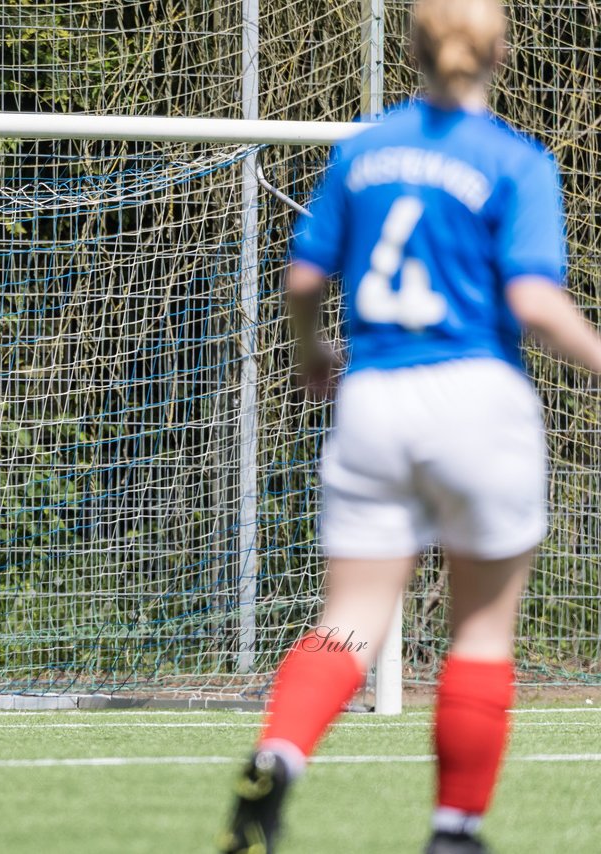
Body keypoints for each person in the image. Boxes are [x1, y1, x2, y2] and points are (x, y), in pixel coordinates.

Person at [217, 1, 598, 851]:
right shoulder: (516, 161)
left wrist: (312, 352)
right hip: (477, 395)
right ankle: (454, 830)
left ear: (413, 48)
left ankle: (279, 756)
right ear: (501, 47)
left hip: (374, 399)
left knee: (349, 618)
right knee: (482, 630)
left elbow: (305, 274)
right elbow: (535, 303)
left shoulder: (364, 150)